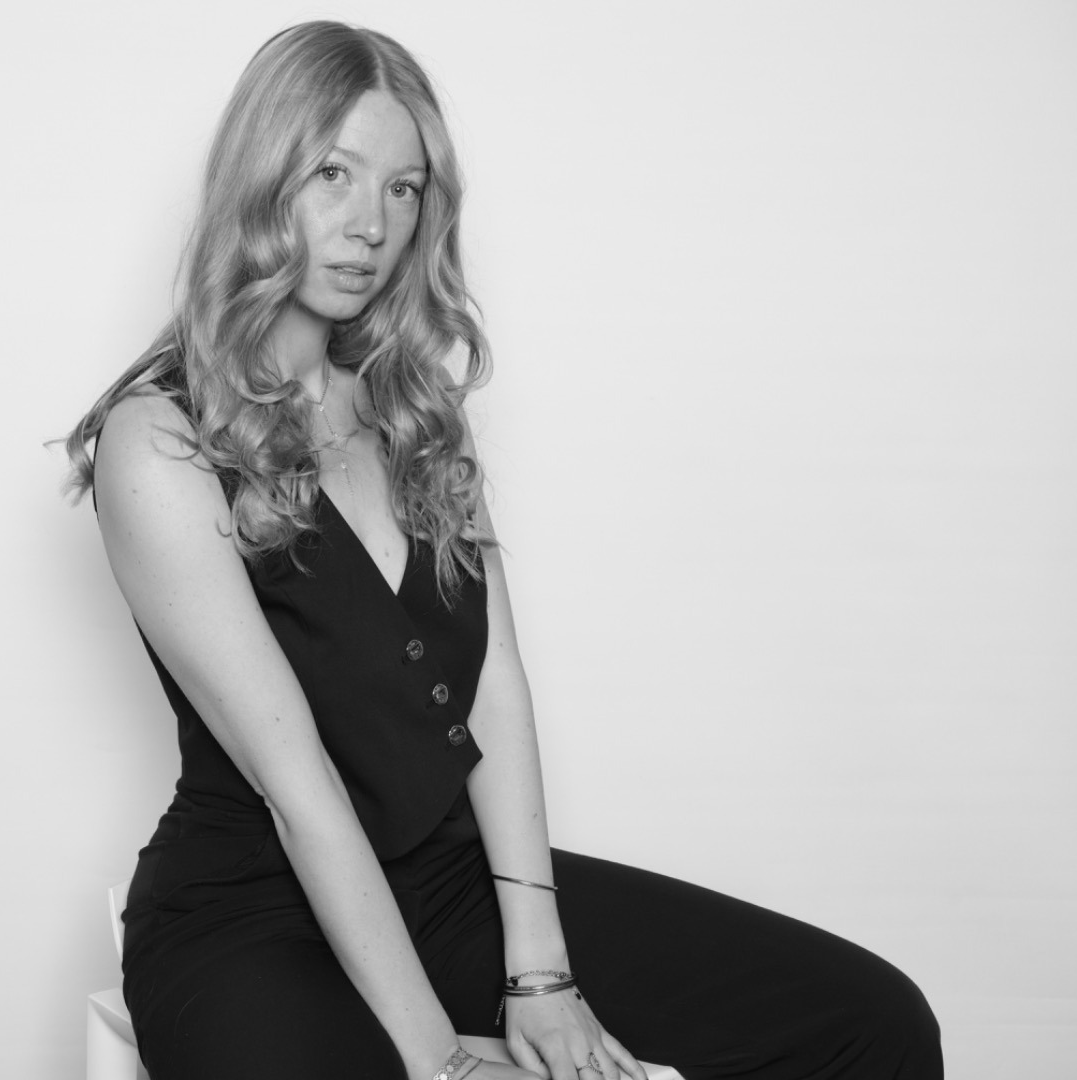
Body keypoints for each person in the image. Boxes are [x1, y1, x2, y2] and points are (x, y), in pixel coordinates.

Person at [63, 21, 941, 1080]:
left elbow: (493, 688)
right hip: (250, 917)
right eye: (333, 173)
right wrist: (439, 1061)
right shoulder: (159, 440)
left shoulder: (411, 411)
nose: (370, 225)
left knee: (873, 1021)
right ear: (261, 178)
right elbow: (298, 788)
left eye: (403, 189)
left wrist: (541, 974)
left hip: (446, 884)